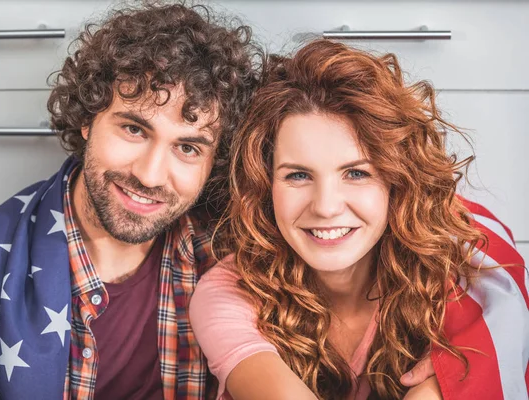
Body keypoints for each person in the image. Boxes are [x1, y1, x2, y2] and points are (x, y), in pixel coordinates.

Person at [0, 3, 264, 399]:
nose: (149, 175)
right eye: (134, 129)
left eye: (188, 147)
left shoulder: (239, 260)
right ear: (88, 118)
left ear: (215, 162)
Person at [189, 39, 529, 400]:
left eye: (356, 173)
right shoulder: (229, 294)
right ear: (264, 185)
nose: (326, 207)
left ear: (396, 181)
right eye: (298, 175)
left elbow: (507, 308)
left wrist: (447, 381)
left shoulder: (455, 263)